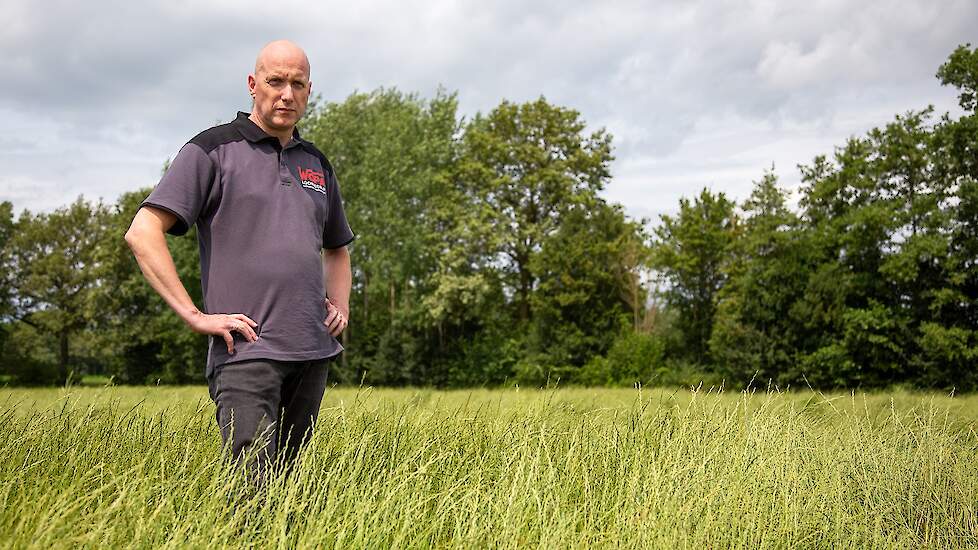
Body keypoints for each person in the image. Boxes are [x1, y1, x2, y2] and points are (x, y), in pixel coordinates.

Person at [124, 40, 353, 479]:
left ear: (309, 92)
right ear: (253, 84)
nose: (287, 94)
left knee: (288, 485)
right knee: (252, 486)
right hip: (246, 352)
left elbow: (337, 246)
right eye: (275, 81)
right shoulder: (211, 150)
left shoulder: (316, 163)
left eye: (298, 84)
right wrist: (195, 315)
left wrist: (339, 305)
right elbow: (142, 232)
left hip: (310, 351)